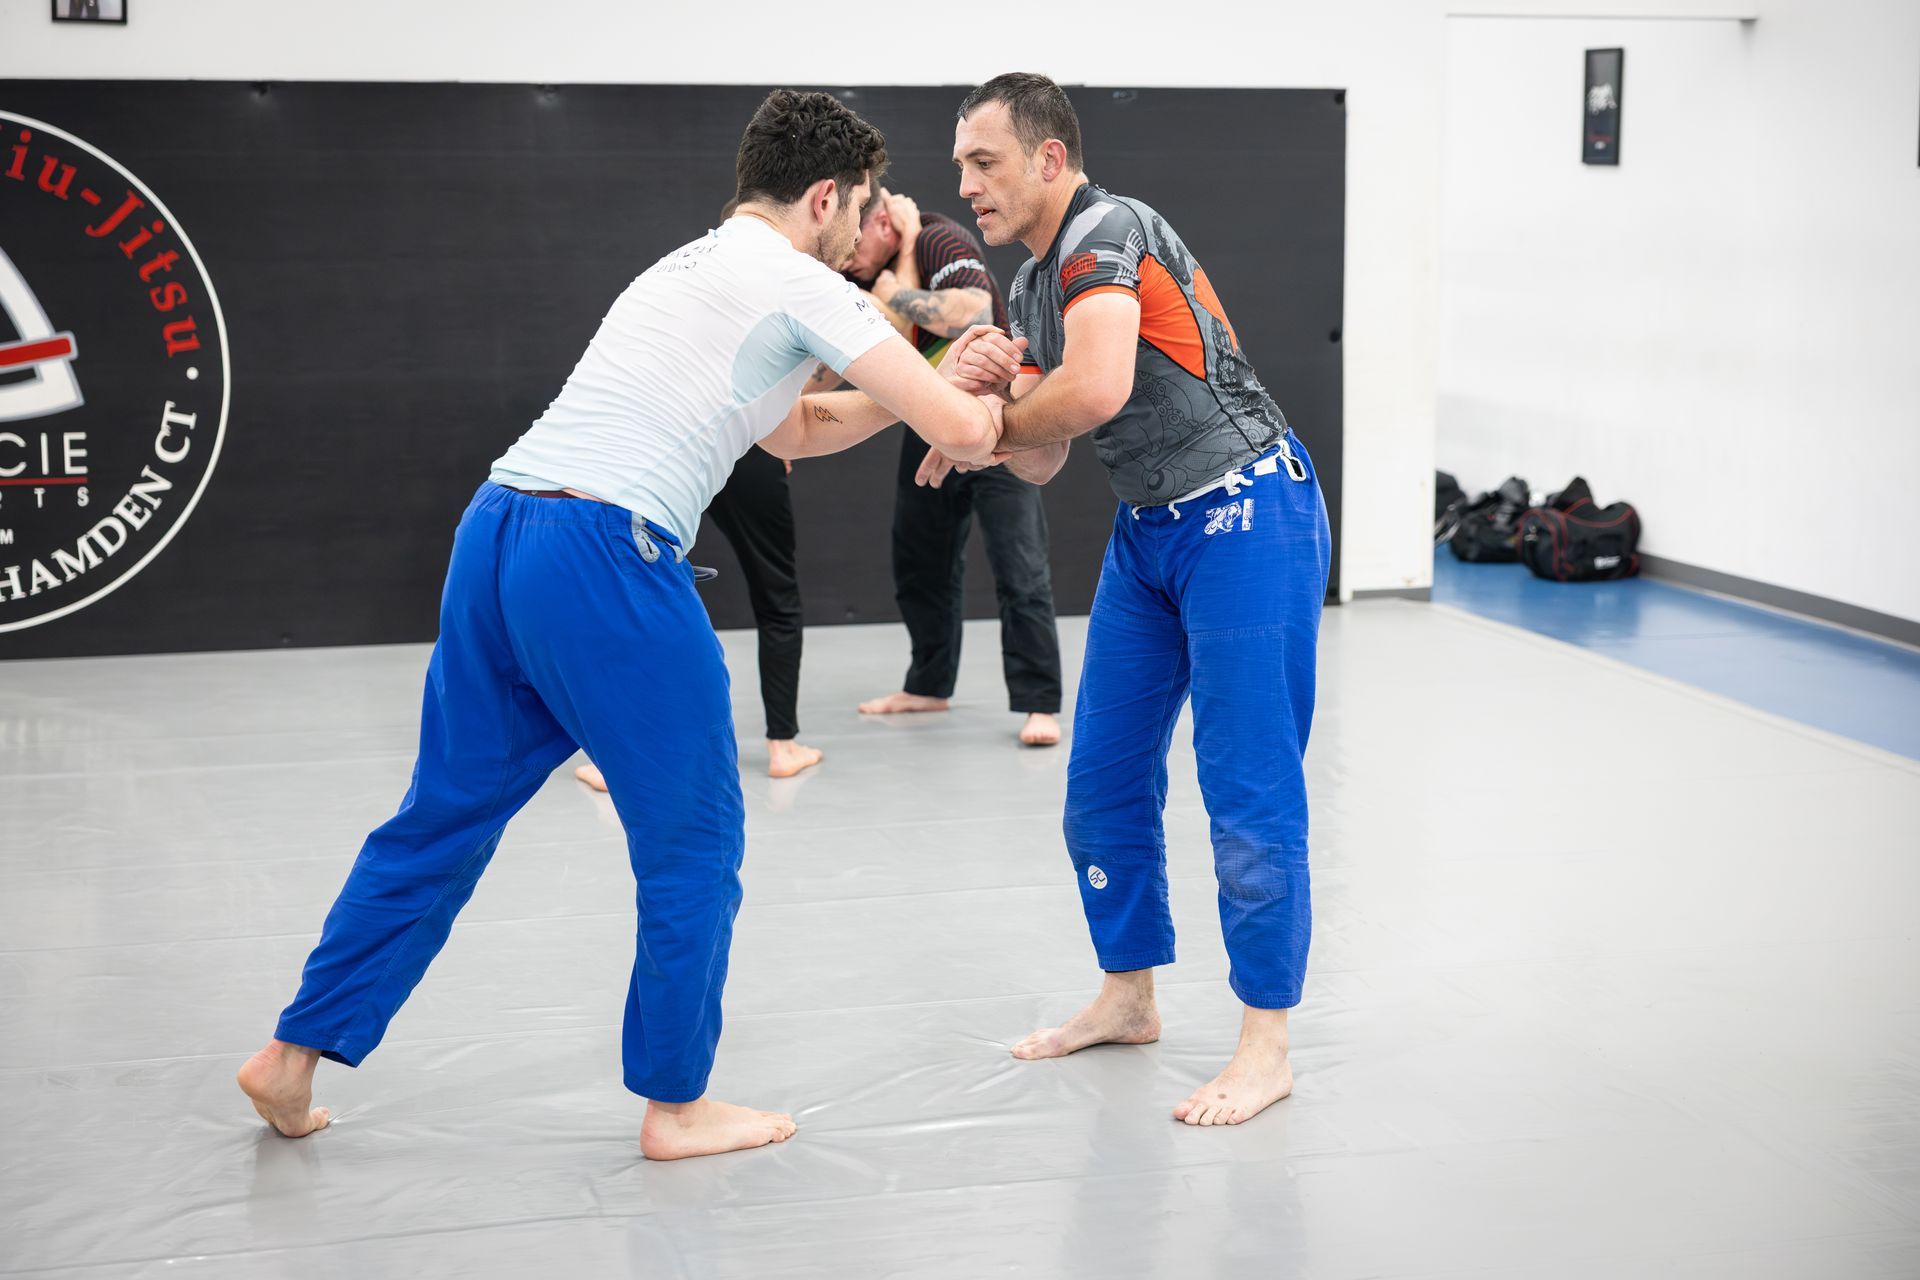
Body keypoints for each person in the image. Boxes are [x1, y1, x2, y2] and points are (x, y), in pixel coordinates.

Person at [236, 89, 1006, 1161]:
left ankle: (292, 1052)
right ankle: (678, 1104)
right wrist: (966, 384)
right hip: (602, 550)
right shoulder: (800, 280)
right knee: (695, 833)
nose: (868, 233)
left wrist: (918, 385)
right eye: (865, 207)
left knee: (441, 815)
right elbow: (966, 432)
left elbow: (788, 427)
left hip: (500, 527)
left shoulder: (682, 268)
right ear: (826, 196)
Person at [927, 73, 1332, 1127]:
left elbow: (1097, 389)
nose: (966, 183)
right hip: (1149, 534)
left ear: (1049, 158)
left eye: (986, 161)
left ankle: (1265, 1042)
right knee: (1101, 779)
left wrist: (983, 418)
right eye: (962, 164)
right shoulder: (1028, 291)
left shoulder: (1109, 230)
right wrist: (986, 392)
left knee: (1246, 785)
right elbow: (1049, 460)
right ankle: (1129, 993)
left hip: (1246, 513)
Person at [841, 189, 1064, 747]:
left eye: (855, 238)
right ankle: (929, 684)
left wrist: (902, 278)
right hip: (927, 420)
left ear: (884, 221)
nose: (845, 255)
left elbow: (972, 311)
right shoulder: (867, 272)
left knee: (1019, 563)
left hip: (993, 415)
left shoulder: (940, 238)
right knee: (919, 558)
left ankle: (1040, 702)